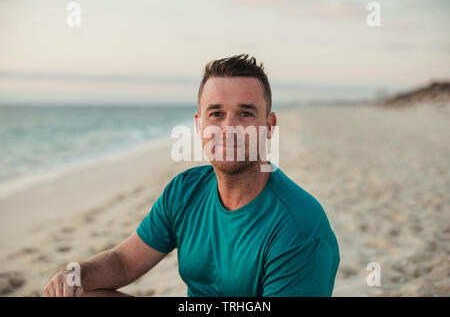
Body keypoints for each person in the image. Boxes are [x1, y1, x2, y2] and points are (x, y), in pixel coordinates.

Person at [44, 54, 340, 297]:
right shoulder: (185, 191)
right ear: (200, 125)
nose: (229, 128)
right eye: (216, 114)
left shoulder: (299, 227)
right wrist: (75, 273)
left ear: (270, 126)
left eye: (246, 113)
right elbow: (124, 262)